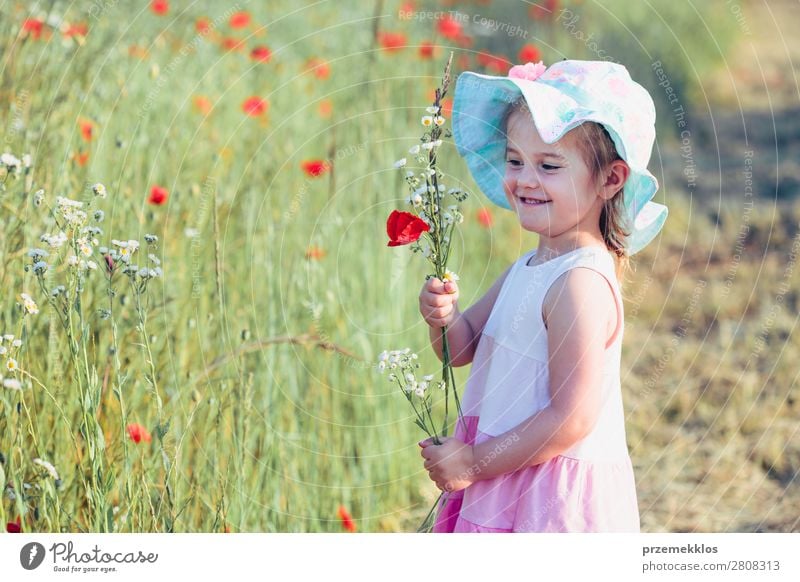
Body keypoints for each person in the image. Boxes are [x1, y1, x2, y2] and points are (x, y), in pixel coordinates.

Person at [417, 59, 668, 532]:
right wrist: (442, 318)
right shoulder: (529, 267)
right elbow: (461, 348)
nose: (524, 180)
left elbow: (571, 418)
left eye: (549, 166)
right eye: (515, 160)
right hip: (502, 471)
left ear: (610, 180)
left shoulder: (579, 283)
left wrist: (472, 463)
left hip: (545, 497)